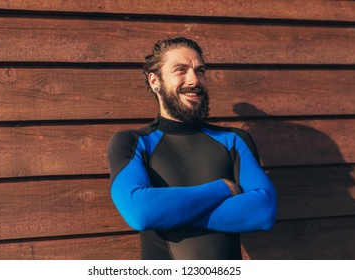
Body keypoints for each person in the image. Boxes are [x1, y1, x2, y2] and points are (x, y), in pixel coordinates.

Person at [107, 37, 277, 260]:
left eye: (200, 71)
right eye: (181, 70)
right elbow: (140, 212)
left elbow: (262, 212)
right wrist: (222, 189)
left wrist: (169, 212)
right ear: (154, 81)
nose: (193, 80)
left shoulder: (234, 140)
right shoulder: (132, 142)